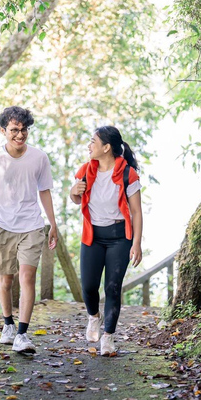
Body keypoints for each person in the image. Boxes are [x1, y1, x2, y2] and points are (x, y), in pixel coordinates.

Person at [0, 106, 58, 354]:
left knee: (27, 277)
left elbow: (45, 191)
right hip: (1, 225)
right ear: (3, 131)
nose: (20, 135)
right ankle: (8, 325)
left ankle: (22, 334)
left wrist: (53, 224)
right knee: (5, 280)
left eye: (24, 130)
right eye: (14, 130)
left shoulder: (39, 158)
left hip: (31, 224)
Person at [69, 125, 143, 356]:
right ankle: (94, 317)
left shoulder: (127, 173)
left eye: (93, 142)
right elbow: (75, 199)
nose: (89, 146)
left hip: (119, 238)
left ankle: (108, 338)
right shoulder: (85, 170)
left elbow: (137, 212)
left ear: (106, 147)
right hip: (93, 237)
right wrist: (74, 191)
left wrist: (137, 243)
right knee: (89, 287)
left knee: (112, 288)